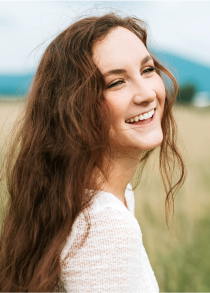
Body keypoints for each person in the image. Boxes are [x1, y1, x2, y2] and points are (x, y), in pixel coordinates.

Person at [0, 13, 185, 293]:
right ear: (74, 109)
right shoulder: (104, 225)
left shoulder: (83, 195)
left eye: (147, 70)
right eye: (116, 82)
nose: (147, 93)